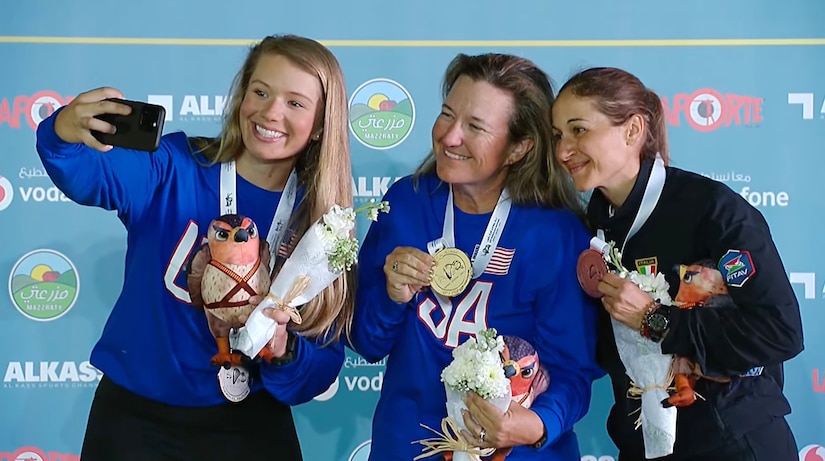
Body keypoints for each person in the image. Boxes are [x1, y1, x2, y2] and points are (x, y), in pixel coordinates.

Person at [35, 34, 355, 461]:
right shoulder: (174, 164)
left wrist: (283, 350)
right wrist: (62, 131)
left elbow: (321, 366)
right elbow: (84, 174)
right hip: (134, 422)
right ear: (242, 96)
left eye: (295, 103)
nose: (270, 111)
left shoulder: (321, 225)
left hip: (249, 426)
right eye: (260, 91)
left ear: (320, 124)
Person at [349, 53, 602, 461]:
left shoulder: (555, 234)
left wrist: (536, 425)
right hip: (408, 448)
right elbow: (366, 342)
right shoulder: (406, 203)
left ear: (519, 148)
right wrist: (391, 297)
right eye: (447, 115)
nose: (450, 137)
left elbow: (573, 373)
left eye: (475, 127)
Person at [551, 66, 804, 461]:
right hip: (645, 445)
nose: (563, 150)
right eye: (557, 136)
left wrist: (657, 319)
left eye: (578, 130)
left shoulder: (712, 210)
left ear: (633, 130)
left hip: (732, 445)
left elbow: (780, 331)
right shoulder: (591, 230)